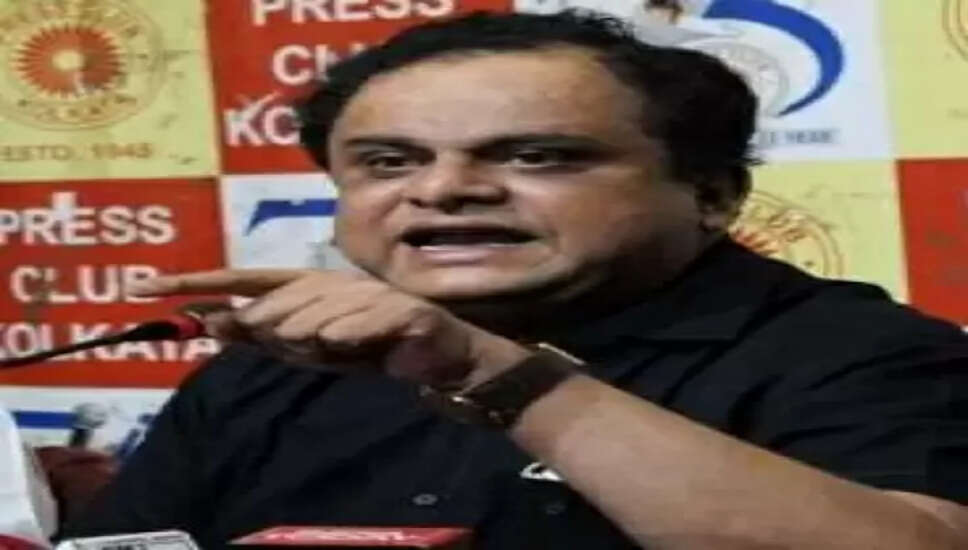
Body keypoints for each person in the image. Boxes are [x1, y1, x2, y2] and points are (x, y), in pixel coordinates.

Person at [62, 10, 968, 549]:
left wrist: (492, 374)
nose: (444, 191)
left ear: (712, 194)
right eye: (387, 162)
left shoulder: (867, 356)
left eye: (537, 156)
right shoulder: (268, 370)